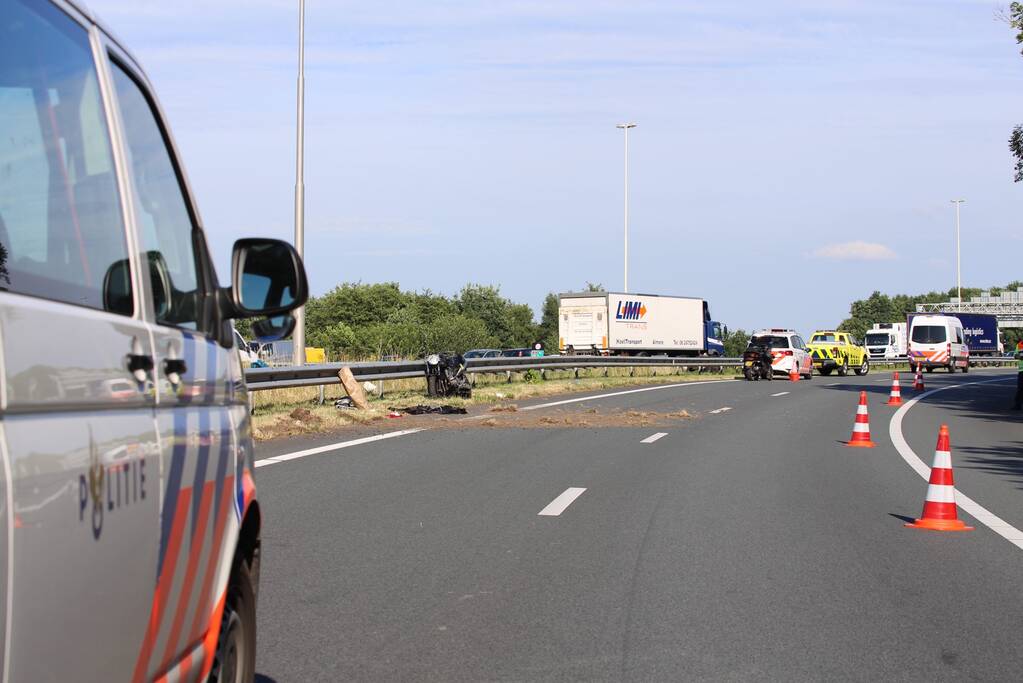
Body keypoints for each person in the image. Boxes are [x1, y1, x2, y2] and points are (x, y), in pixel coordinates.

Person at [1015, 340, 1023, 410]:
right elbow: (1015, 355)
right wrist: (1020, 356)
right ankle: (1017, 405)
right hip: (1021, 370)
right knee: (1020, 389)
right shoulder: (1019, 344)